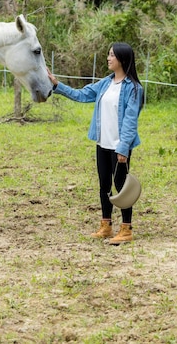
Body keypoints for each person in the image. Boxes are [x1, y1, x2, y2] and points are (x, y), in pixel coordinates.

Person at [48, 42, 143, 244]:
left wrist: (123, 148)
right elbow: (82, 94)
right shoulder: (105, 83)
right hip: (102, 143)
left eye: (111, 55)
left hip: (119, 146)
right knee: (104, 185)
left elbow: (130, 120)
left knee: (121, 186)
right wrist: (57, 85)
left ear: (123, 60)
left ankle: (126, 229)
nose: (108, 59)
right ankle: (106, 225)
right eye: (108, 55)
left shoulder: (134, 89)